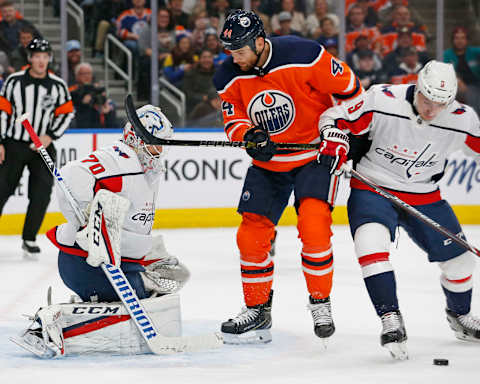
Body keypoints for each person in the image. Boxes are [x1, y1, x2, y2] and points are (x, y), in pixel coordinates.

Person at [214, 10, 363, 345]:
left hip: (313, 156)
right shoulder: (228, 75)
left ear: (258, 41)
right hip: (270, 164)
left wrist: (337, 131)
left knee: (313, 226)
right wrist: (249, 135)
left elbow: (352, 92)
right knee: (250, 234)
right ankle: (257, 310)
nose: (233, 58)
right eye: (229, 51)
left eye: (239, 51)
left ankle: (320, 302)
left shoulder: (305, 55)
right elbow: (232, 118)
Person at [318, 60, 480, 360]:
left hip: (424, 195)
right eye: (426, 100)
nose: (431, 110)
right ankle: (390, 317)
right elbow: (335, 117)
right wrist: (334, 140)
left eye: (440, 104)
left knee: (461, 261)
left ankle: (460, 316)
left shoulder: (462, 118)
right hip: (373, 186)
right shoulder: (382, 99)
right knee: (370, 245)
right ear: (417, 87)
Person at [10, 105, 191, 358]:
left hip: (113, 262)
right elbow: (72, 173)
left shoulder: (143, 165)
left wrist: (150, 251)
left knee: (162, 287)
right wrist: (87, 223)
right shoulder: (120, 160)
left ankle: (92, 306)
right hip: (85, 263)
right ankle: (50, 323)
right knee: (141, 295)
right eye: (157, 144)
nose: (161, 151)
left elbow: (129, 224)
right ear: (138, 140)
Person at [0, 39, 74, 258]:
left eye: (45, 56)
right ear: (30, 58)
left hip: (42, 147)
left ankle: (29, 238)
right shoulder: (14, 82)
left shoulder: (58, 85)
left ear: (49, 58)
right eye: (37, 56)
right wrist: (0, 141)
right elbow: (3, 111)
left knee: (41, 193)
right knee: (2, 189)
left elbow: (67, 113)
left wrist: (49, 136)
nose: (41, 61)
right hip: (13, 144)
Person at [69, 62, 118, 129]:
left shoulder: (98, 89)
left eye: (88, 73)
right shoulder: (73, 90)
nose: (86, 76)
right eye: (83, 74)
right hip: (80, 123)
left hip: (98, 123)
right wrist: (83, 103)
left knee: (111, 105)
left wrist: (104, 107)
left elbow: (103, 102)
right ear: (77, 76)